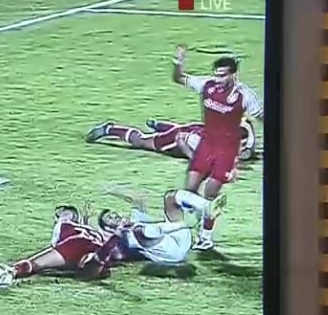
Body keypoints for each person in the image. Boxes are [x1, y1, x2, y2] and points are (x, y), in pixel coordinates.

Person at [171, 46, 264, 250]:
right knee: (189, 191)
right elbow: (178, 78)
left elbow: (264, 117)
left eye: (222, 75)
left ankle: (205, 237)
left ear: (233, 75)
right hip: (206, 145)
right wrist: (178, 63)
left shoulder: (245, 96)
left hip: (227, 152)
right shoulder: (206, 84)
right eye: (216, 74)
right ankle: (195, 223)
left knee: (210, 194)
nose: (218, 79)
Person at [0, 205, 122, 285]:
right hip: (81, 245)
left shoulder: (70, 227)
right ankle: (12, 272)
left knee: (37, 264)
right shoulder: (68, 226)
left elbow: (56, 243)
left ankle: (12, 271)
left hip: (76, 245)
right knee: (93, 260)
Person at [96, 184, 226, 266]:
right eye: (109, 218)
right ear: (108, 228)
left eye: (113, 213)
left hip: (175, 239)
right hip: (172, 253)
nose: (114, 216)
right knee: (141, 231)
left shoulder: (135, 219)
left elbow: (138, 198)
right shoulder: (124, 238)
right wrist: (189, 224)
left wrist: (113, 190)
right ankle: (201, 219)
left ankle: (205, 233)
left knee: (170, 197)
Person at [84, 117, 257, 163]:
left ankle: (159, 125)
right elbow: (182, 140)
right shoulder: (202, 143)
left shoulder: (242, 130)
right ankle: (109, 129)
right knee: (143, 141)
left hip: (194, 128)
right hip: (178, 139)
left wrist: (248, 149)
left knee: (181, 128)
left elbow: (248, 125)